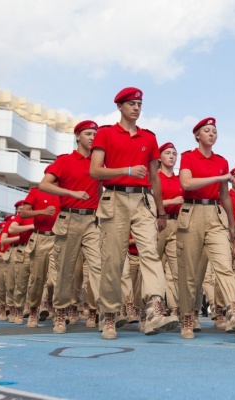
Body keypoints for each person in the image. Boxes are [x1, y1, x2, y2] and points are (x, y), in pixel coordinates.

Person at [90, 87, 178, 340]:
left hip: (143, 200)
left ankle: (154, 309)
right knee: (113, 259)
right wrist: (126, 170)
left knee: (150, 253)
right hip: (114, 198)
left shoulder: (149, 137)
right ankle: (109, 314)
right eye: (131, 104)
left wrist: (161, 212)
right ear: (119, 106)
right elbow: (95, 171)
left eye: (139, 104)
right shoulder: (106, 133)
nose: (136, 108)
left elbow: (155, 179)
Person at [176, 117, 235, 339]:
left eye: (214, 131)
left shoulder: (222, 161)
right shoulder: (188, 157)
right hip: (191, 212)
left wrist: (231, 224)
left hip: (215, 214)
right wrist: (219, 177)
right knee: (190, 272)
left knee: (224, 266)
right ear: (197, 135)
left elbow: (224, 195)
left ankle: (234, 311)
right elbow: (186, 183)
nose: (211, 134)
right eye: (207, 130)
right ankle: (187, 317)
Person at [38, 120, 102, 333]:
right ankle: (60, 312)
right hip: (69, 218)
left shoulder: (98, 163)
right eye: (88, 133)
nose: (92, 137)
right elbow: (44, 184)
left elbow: (103, 188)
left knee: (98, 266)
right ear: (77, 136)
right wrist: (71, 193)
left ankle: (104, 311)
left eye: (95, 134)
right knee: (65, 269)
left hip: (93, 221)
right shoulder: (65, 160)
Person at [19, 186, 60, 328]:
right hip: (40, 238)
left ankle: (58, 312)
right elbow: (24, 213)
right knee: (37, 279)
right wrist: (42, 211)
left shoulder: (65, 191)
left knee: (55, 280)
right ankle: (33, 310)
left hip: (58, 238)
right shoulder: (36, 191)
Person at [156, 142, 183, 318]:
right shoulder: (155, 178)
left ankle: (177, 309)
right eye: (167, 153)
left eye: (174, 153)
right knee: (153, 267)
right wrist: (172, 202)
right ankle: (146, 309)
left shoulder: (179, 179)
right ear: (159, 157)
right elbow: (149, 203)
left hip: (176, 224)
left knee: (177, 269)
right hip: (158, 222)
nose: (172, 156)